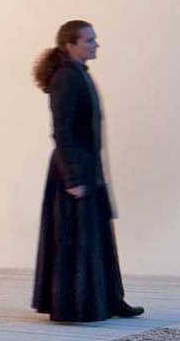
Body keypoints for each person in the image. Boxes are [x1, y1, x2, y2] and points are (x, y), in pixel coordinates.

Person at [31, 18, 145, 323]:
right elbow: (62, 131)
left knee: (96, 235)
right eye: (90, 40)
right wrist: (73, 178)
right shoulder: (67, 79)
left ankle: (108, 299)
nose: (96, 44)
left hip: (87, 167)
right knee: (77, 238)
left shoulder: (79, 74)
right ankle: (77, 305)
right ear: (71, 45)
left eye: (95, 39)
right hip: (75, 171)